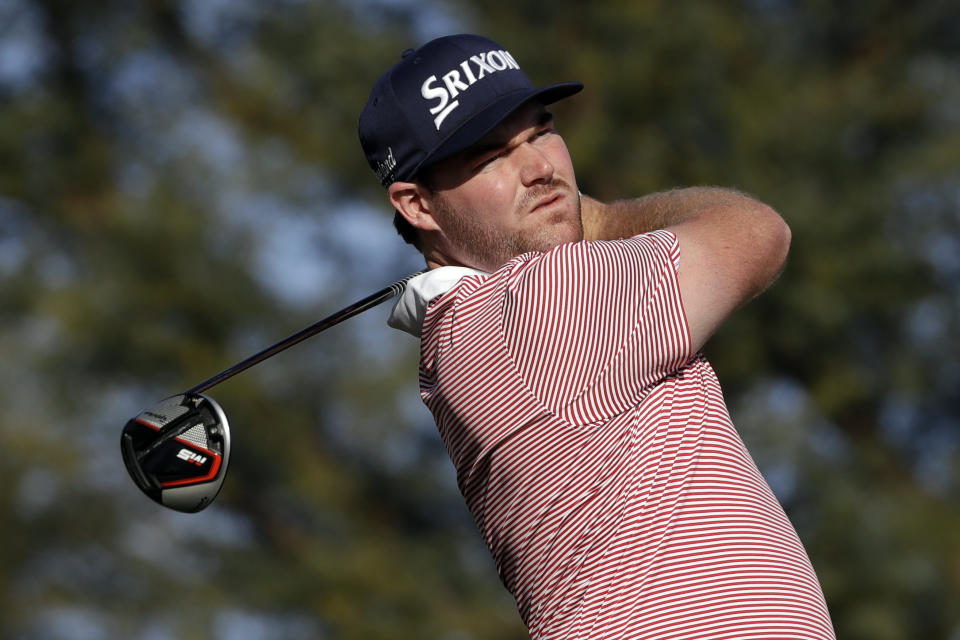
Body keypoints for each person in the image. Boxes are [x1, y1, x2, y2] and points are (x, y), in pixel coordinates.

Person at [359, 34, 836, 639]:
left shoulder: (460, 331)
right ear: (417, 205)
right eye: (489, 156)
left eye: (541, 132)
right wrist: (599, 217)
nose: (541, 169)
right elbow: (756, 231)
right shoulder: (542, 299)